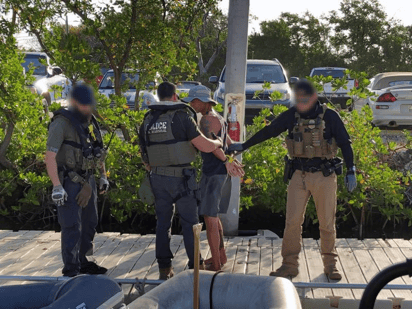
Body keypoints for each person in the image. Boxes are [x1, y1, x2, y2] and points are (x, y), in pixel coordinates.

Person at [228, 80, 357, 280]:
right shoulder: (292, 115)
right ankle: (289, 266)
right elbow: (270, 131)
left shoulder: (330, 116)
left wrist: (351, 169)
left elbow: (345, 143)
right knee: (292, 223)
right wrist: (244, 145)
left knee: (327, 223)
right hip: (299, 175)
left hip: (324, 175)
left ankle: (330, 265)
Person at [138, 81, 224, 280]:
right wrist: (217, 142)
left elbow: (144, 153)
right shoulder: (182, 116)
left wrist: (155, 170)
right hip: (182, 180)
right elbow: (202, 145)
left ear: (159, 97)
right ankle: (196, 266)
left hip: (158, 179)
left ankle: (164, 268)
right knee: (190, 224)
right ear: (175, 96)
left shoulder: (148, 118)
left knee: (162, 224)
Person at [45, 84, 109, 277]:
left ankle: (83, 261)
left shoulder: (90, 122)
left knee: (90, 222)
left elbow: (98, 152)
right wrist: (57, 186)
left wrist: (103, 175)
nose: (86, 109)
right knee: (72, 225)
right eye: (82, 104)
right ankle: (71, 269)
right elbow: (49, 156)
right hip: (69, 181)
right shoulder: (61, 123)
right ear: (73, 103)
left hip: (88, 180)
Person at [182, 85, 245, 271]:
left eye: (194, 101)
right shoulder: (220, 118)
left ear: (203, 102)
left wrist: (226, 161)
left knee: (209, 219)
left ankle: (216, 264)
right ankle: (221, 257)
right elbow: (228, 143)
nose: (192, 104)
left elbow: (215, 147)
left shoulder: (206, 121)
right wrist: (231, 160)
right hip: (219, 172)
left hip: (213, 173)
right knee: (215, 218)